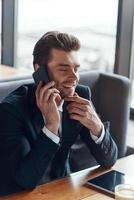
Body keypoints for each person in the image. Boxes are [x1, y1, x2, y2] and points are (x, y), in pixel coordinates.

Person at [0, 31, 117, 194]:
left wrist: (96, 126)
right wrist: (51, 126)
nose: (74, 78)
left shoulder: (80, 96)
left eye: (76, 69)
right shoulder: (11, 110)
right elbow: (24, 180)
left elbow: (109, 159)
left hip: (65, 189)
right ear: (39, 71)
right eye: (64, 69)